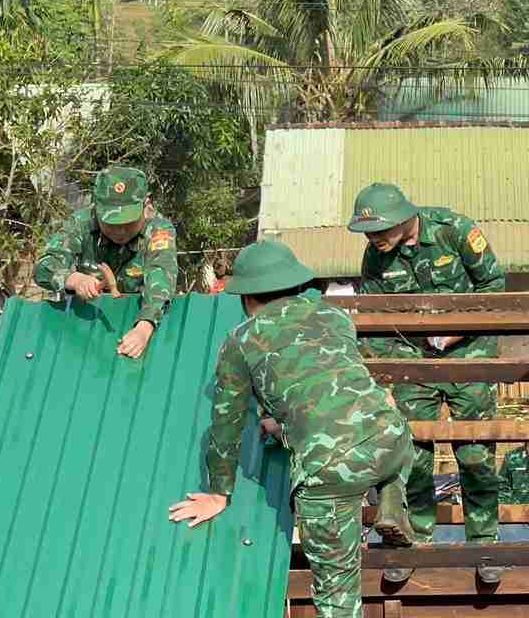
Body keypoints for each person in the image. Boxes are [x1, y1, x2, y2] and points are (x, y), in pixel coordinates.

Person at [167, 241, 415, 618]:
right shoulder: (334, 317)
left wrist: (219, 492)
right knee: (390, 422)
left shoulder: (241, 341)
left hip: (329, 471)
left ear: (247, 297)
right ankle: (392, 499)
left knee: (338, 595)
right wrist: (282, 427)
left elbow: (226, 425)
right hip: (389, 436)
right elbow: (328, 393)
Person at [346, 182, 504, 584]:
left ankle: (484, 544)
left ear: (403, 217)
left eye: (381, 230)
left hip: (470, 354)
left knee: (474, 454)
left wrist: (456, 332)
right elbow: (378, 320)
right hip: (413, 360)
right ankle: (411, 543)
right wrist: (393, 373)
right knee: (413, 456)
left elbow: (494, 288)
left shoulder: (453, 230)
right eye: (369, 232)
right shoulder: (376, 258)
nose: (374, 239)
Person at [33, 166, 177, 358]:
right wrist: (74, 279)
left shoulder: (159, 230)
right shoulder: (81, 223)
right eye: (111, 222)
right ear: (96, 208)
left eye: (128, 223)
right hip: (84, 332)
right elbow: (43, 267)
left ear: (146, 205)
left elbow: (161, 277)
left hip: (138, 324)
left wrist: (144, 327)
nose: (120, 231)